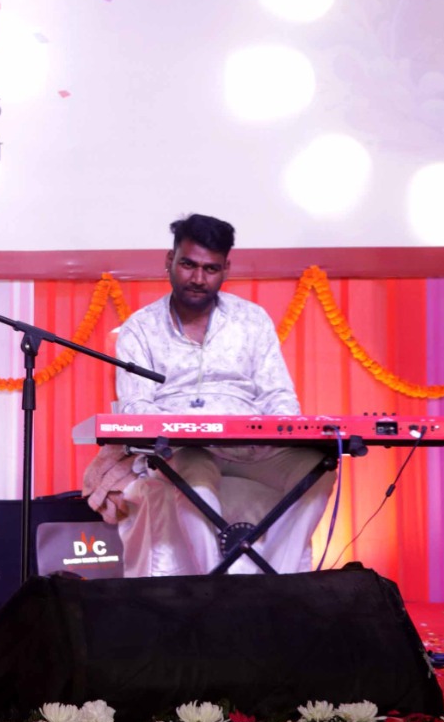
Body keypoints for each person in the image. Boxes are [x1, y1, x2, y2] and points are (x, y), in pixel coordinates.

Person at [84, 213, 334, 576]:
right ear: (170, 261)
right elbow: (136, 406)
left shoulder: (252, 320)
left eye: (211, 268)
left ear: (225, 269)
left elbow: (278, 394)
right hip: (183, 450)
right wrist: (191, 429)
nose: (198, 278)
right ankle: (215, 583)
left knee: (317, 468)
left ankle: (276, 582)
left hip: (251, 449)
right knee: (193, 475)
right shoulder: (140, 328)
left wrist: (287, 430)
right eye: (188, 265)